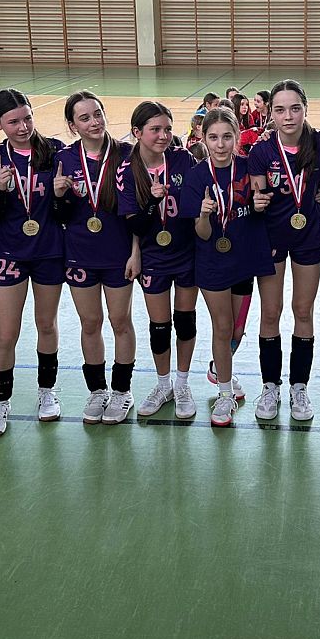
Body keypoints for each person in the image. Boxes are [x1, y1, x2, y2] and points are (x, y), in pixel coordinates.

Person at [246, 79, 320, 422]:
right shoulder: (261, 152)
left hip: (308, 237)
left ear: (305, 109)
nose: (288, 116)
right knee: (271, 312)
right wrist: (255, 203)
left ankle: (299, 386)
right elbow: (255, 197)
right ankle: (270, 385)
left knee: (303, 310)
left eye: (295, 108)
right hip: (271, 238)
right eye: (280, 109)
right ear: (270, 113)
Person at [181, 107, 276, 426]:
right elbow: (201, 233)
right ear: (203, 139)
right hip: (212, 263)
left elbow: (264, 204)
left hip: (245, 260)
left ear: (237, 137)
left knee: (236, 330)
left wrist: (260, 204)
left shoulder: (249, 169)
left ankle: (218, 369)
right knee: (222, 327)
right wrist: (204, 214)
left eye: (226, 137)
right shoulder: (196, 177)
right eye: (213, 138)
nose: (220, 144)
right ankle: (224, 394)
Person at [0, 89, 66, 437]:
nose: (22, 127)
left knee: (46, 324)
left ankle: (47, 391)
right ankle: (0, 400)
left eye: (27, 118)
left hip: (49, 250)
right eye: (13, 121)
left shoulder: (55, 151)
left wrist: (60, 195)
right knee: (6, 332)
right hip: (10, 252)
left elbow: (66, 208)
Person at [55, 91, 139, 424]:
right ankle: (97, 390)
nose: (94, 122)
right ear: (72, 125)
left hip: (119, 254)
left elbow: (138, 209)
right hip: (80, 254)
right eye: (85, 118)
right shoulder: (64, 158)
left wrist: (136, 252)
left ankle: (121, 391)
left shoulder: (127, 154)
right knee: (90, 323)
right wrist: (59, 196)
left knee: (120, 321)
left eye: (98, 114)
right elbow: (58, 214)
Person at [118, 102, 200, 420]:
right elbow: (136, 225)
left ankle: (182, 383)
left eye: (167, 129)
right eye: (155, 129)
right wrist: (152, 202)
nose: (163, 135)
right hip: (153, 255)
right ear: (137, 132)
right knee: (160, 326)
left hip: (186, 252)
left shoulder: (182, 159)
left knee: (186, 321)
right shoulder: (128, 170)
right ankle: (163, 384)